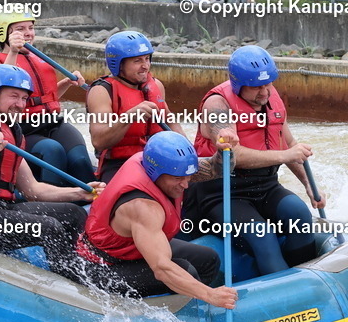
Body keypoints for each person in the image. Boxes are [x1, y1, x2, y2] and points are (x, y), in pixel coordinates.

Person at [0, 63, 102, 259]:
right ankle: (71, 282)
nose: (21, 105)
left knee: (74, 214)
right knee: (49, 228)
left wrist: (80, 193)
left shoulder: (12, 131)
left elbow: (33, 190)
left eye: (24, 98)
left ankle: (86, 266)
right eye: (13, 96)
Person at [186, 45, 323, 276]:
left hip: (265, 186)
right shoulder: (217, 105)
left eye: (267, 83)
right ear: (238, 84)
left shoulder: (271, 96)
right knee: (262, 236)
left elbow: (288, 143)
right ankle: (284, 294)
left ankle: (309, 281)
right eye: (256, 86)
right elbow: (233, 155)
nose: (264, 92)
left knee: (299, 214)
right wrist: (284, 156)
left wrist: (308, 184)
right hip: (222, 192)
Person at [73, 130, 237, 308]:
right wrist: (210, 295)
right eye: (178, 179)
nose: (186, 184)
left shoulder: (162, 167)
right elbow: (162, 269)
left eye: (188, 176)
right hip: (102, 268)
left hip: (131, 249)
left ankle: (188, 307)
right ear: (156, 173)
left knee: (208, 259)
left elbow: (215, 169)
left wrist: (223, 151)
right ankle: (178, 314)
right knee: (185, 270)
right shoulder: (143, 207)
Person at [0, 8, 94, 187]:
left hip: (52, 122)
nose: (28, 33)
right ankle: (53, 206)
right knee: (52, 150)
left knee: (79, 157)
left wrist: (65, 83)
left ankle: (92, 204)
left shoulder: (37, 59)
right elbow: (1, 86)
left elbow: (45, 98)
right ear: (4, 32)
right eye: (20, 29)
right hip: (21, 129)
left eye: (31, 28)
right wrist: (14, 53)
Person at [86, 30, 186, 182]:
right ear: (119, 64)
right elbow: (99, 141)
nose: (145, 66)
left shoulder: (156, 85)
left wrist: (187, 149)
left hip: (156, 159)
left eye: (147, 59)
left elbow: (170, 121)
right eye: (137, 61)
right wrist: (130, 115)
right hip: (119, 163)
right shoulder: (101, 91)